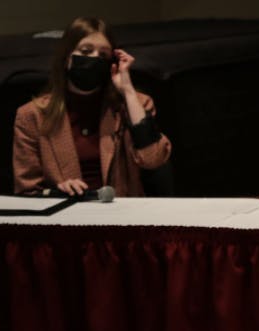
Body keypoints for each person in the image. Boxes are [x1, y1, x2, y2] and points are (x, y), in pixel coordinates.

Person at [13, 17, 172, 197]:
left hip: (122, 214)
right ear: (67, 58)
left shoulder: (135, 104)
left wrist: (127, 90)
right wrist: (59, 190)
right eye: (86, 51)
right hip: (66, 215)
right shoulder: (32, 115)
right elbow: (27, 190)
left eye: (103, 55)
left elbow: (153, 159)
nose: (95, 59)